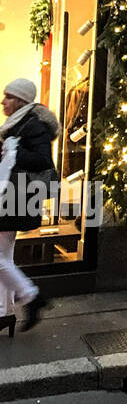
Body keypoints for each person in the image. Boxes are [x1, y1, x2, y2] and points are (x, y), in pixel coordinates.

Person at [0, 78, 56, 331]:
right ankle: (5, 312)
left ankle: (32, 296)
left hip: (15, 199)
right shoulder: (16, 124)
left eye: (9, 97)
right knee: (4, 258)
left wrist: (13, 151)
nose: (3, 101)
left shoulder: (33, 125)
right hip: (8, 197)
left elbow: (42, 160)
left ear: (21, 100)